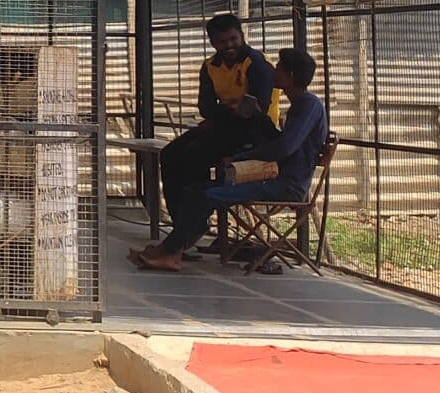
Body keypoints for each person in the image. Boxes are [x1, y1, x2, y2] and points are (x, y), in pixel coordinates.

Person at [129, 47, 328, 272]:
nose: (274, 71)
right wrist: (257, 118)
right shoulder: (299, 105)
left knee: (205, 194)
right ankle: (171, 248)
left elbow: (284, 147)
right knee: (194, 190)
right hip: (271, 176)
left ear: (289, 76)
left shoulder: (308, 105)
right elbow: (282, 143)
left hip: (284, 184)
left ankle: (171, 253)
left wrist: (240, 157)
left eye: (279, 67)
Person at [158, 13, 281, 207]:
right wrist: (233, 107)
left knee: (194, 155)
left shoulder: (257, 63)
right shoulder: (210, 66)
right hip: (223, 127)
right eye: (222, 42)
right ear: (212, 42)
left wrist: (225, 109)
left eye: (233, 39)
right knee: (169, 154)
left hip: (256, 133)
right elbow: (206, 108)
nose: (229, 45)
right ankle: (181, 220)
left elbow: (255, 110)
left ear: (242, 35)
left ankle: (198, 215)